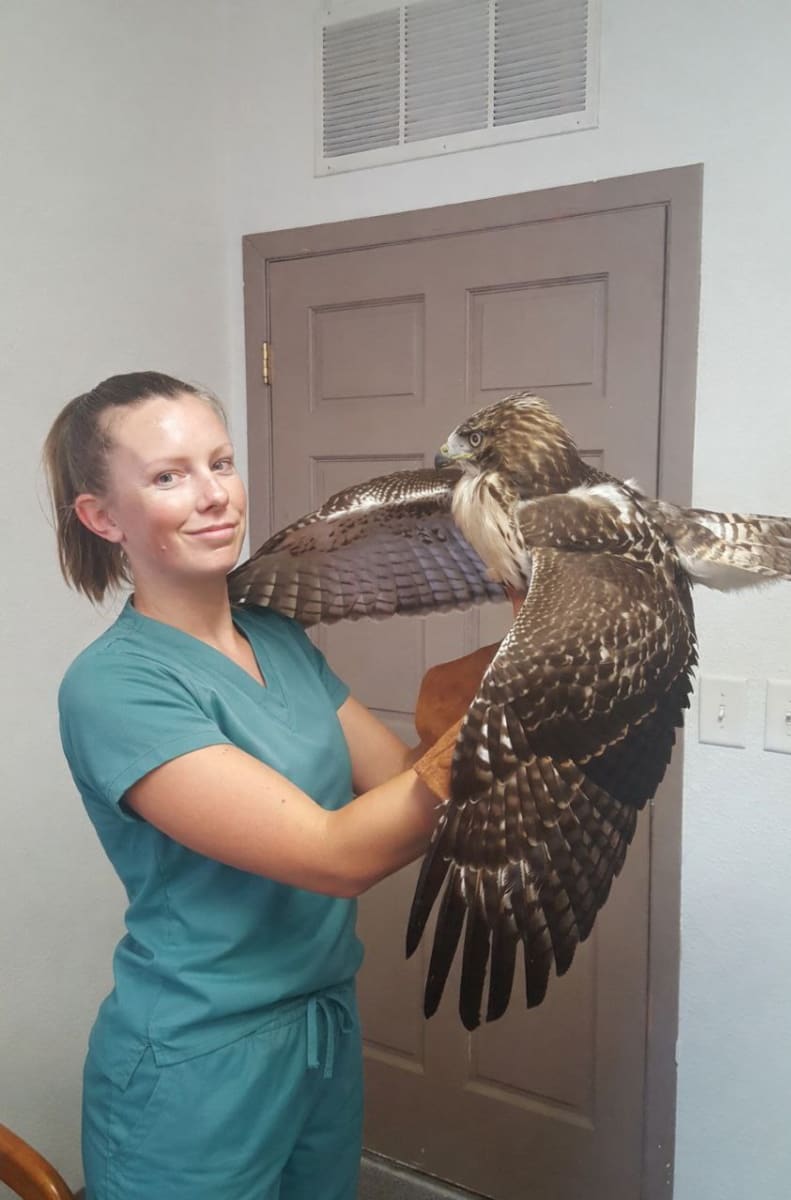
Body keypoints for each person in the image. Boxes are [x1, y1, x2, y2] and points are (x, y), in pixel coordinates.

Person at [43, 371, 500, 1200]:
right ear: (102, 517)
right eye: (168, 476)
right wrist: (506, 714)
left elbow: (401, 782)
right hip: (195, 1062)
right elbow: (335, 854)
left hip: (322, 1028)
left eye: (221, 462)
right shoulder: (115, 687)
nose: (215, 495)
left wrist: (507, 679)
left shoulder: (276, 637)